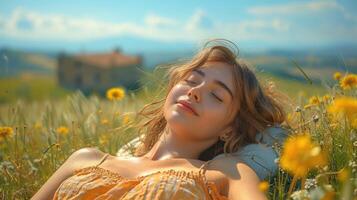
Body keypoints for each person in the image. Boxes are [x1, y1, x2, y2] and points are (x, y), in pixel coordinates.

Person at [32, 39, 291, 200]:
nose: (195, 91)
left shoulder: (224, 172)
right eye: (191, 80)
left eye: (216, 95)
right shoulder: (86, 158)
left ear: (229, 128)